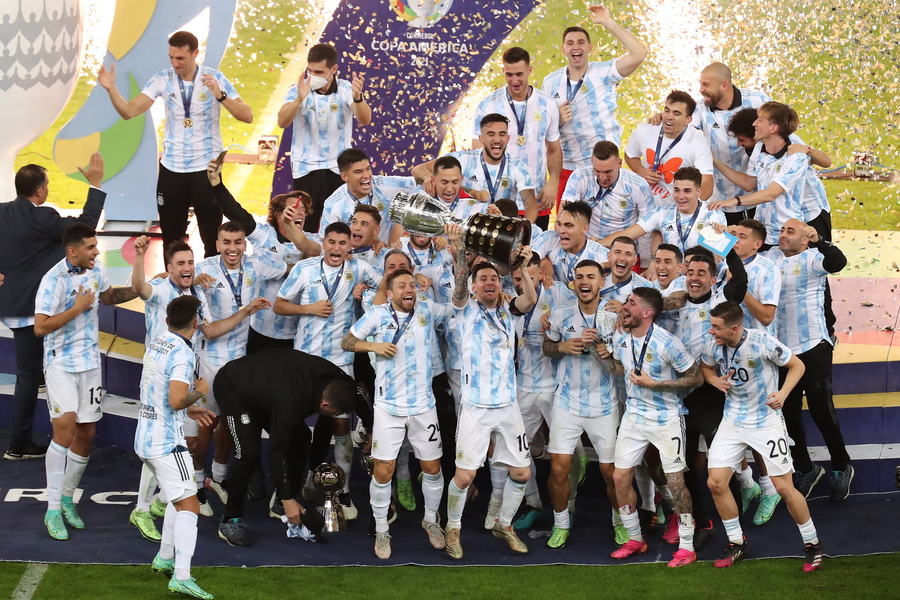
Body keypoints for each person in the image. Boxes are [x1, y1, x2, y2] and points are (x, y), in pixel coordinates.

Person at [98, 31, 253, 258]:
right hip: (172, 170)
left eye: (180, 58)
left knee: (212, 240)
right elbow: (129, 112)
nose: (175, 63)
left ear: (195, 53)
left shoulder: (214, 78)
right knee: (171, 241)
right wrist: (111, 89)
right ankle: (174, 281)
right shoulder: (162, 79)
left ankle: (211, 279)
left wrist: (221, 96)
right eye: (171, 57)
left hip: (206, 170)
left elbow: (247, 115)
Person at [700, 301, 823, 572]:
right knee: (716, 483)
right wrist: (714, 381)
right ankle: (737, 542)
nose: (711, 331)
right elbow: (706, 368)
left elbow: (797, 366)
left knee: (784, 488)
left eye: (716, 327)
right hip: (732, 421)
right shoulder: (712, 343)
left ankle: (812, 544)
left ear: (734, 329)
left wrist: (783, 394)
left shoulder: (762, 342)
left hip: (766, 421)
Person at [34, 223, 139, 540]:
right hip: (61, 364)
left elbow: (109, 297)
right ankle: (52, 509)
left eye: (95, 246)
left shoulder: (96, 269)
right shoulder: (52, 280)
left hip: (90, 363)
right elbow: (40, 327)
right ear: (73, 251)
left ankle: (67, 498)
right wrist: (76, 308)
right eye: (90, 247)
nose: (96, 251)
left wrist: (140, 288)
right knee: (64, 432)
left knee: (87, 432)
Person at [0, 154, 106, 461]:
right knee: (28, 375)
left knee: (32, 372)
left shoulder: (3, 212)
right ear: (40, 191)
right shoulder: (43, 217)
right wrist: (95, 184)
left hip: (11, 305)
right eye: (46, 184)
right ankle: (19, 443)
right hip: (30, 311)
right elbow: (84, 227)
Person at [343, 268, 454, 558]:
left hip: (423, 406)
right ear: (390, 293)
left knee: (432, 468)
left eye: (412, 285)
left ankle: (430, 520)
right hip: (388, 407)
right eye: (402, 285)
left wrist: (459, 259)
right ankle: (382, 530)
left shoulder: (427, 310)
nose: (409, 289)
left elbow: (458, 305)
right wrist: (373, 346)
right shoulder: (378, 314)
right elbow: (347, 341)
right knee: (383, 471)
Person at [275, 222, 382, 519]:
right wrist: (307, 309)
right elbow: (279, 305)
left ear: (349, 246)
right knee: (292, 425)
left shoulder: (359, 269)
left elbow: (388, 283)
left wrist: (366, 292)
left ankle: (341, 492)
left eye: (342, 243)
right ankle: (286, 489)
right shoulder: (305, 269)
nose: (336, 248)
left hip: (340, 361)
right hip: (305, 362)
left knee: (341, 427)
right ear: (323, 242)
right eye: (332, 242)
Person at [443, 224, 537, 558]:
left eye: (494, 279)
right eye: (482, 279)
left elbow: (530, 299)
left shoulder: (508, 309)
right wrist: (460, 252)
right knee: (465, 476)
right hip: (476, 406)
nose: (489, 283)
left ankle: (504, 524)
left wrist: (522, 267)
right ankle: (453, 528)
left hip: (507, 406)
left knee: (521, 472)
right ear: (474, 286)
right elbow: (458, 291)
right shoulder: (465, 309)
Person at [213, 349, 370, 546]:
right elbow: (276, 450)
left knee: (301, 437)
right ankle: (230, 519)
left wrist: (370, 428)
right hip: (235, 387)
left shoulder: (335, 376)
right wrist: (289, 500)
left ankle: (281, 501)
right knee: (248, 453)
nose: (333, 417)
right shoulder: (292, 402)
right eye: (333, 413)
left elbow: (357, 393)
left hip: (268, 386)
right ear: (324, 405)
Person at [599, 287, 703, 567]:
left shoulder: (667, 343)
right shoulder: (623, 339)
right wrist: (601, 355)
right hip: (634, 416)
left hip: (667, 417)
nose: (625, 306)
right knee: (620, 477)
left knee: (675, 482)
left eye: (631, 303)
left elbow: (696, 378)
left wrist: (656, 384)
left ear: (647, 312)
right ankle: (635, 538)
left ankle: (687, 546)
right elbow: (620, 369)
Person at [192, 223, 278, 515]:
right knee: (206, 425)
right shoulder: (203, 270)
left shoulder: (255, 266)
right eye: (226, 242)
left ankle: (218, 477)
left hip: (239, 361)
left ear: (245, 244)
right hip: (209, 358)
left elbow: (287, 264)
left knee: (230, 422)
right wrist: (192, 279)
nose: (233, 248)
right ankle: (196, 485)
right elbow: (171, 278)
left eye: (238, 242)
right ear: (217, 244)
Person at [136, 295, 216, 599]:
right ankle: (182, 576)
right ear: (195, 323)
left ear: (168, 320)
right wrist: (199, 392)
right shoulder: (183, 354)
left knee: (176, 496)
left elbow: (156, 389)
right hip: (167, 442)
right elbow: (175, 399)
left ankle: (165, 557)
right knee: (190, 505)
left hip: (145, 435)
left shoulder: (158, 341)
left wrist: (189, 409)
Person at [767, 220, 853, 501]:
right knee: (788, 413)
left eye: (790, 232)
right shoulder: (771, 256)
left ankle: (841, 466)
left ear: (805, 240)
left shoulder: (813, 258)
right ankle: (805, 469)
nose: (783, 235)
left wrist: (820, 241)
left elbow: (838, 261)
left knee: (821, 410)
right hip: (782, 351)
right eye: (782, 230)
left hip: (813, 345)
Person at [542, 260, 620, 549]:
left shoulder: (615, 315)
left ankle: (620, 522)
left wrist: (605, 353)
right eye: (579, 277)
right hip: (567, 403)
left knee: (612, 473)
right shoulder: (560, 313)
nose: (584, 281)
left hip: (604, 405)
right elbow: (548, 348)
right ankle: (561, 523)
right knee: (558, 469)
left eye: (591, 276)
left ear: (601, 282)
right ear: (574, 283)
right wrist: (562, 346)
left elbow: (622, 365)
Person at [542, 5, 647, 207]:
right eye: (570, 43)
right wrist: (556, 120)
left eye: (581, 42)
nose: (576, 47)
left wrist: (607, 21)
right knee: (567, 222)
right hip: (569, 167)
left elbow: (639, 53)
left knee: (610, 219)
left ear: (589, 48)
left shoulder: (604, 72)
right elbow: (542, 130)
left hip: (604, 165)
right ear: (563, 50)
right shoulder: (550, 82)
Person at [277, 43, 372, 232]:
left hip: (338, 168)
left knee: (340, 225)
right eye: (310, 71)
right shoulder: (299, 89)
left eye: (319, 72)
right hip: (306, 167)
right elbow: (282, 121)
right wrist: (299, 99)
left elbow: (365, 119)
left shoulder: (345, 89)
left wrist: (358, 98)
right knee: (307, 225)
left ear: (333, 69)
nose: (313, 76)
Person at [473, 47, 561, 229]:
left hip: (536, 201)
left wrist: (553, 181)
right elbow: (476, 151)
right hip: (498, 203)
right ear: (503, 71)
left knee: (532, 246)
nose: (514, 81)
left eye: (519, 74)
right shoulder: (488, 105)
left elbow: (554, 149)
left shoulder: (547, 104)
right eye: (509, 74)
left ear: (529, 70)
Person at [708, 102, 808, 249]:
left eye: (760, 120)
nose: (754, 123)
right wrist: (715, 161)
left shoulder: (795, 158)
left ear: (773, 128)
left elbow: (770, 194)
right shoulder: (760, 148)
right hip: (762, 232)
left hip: (785, 234)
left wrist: (734, 201)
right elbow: (749, 183)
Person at [412, 114, 538, 221]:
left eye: (502, 134)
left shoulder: (517, 167)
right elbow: (418, 170)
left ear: (508, 138)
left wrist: (526, 227)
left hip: (499, 230)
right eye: (491, 134)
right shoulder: (463, 159)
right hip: (462, 227)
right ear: (481, 139)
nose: (497, 139)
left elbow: (530, 202)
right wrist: (428, 178)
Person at [691, 63, 772, 223]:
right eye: (700, 84)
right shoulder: (699, 109)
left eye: (706, 85)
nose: (701, 90)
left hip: (759, 198)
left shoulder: (758, 100)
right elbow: (680, 129)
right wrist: (661, 119)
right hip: (721, 201)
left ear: (724, 85)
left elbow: (780, 131)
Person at [559, 141, 654, 267]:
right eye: (597, 171)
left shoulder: (638, 185)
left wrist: (646, 263)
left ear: (620, 163)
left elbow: (646, 225)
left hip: (622, 254)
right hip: (585, 250)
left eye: (608, 172)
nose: (603, 178)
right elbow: (564, 215)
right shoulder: (580, 177)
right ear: (592, 161)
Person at [599, 167, 726, 256]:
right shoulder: (662, 212)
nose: (680, 196)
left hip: (701, 278)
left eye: (687, 191)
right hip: (670, 279)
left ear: (699, 192)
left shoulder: (713, 215)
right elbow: (627, 234)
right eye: (676, 190)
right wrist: (597, 244)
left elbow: (719, 256)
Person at [625, 91, 714, 206]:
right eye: (667, 110)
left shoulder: (699, 142)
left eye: (676, 113)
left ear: (688, 120)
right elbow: (630, 155)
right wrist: (641, 171)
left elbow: (707, 184)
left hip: (675, 209)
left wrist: (688, 207)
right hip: (643, 205)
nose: (669, 117)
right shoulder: (646, 128)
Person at [318, 148, 415, 244]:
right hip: (353, 253)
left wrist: (421, 174)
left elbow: (419, 182)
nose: (366, 175)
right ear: (344, 177)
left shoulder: (383, 184)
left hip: (387, 251)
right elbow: (327, 242)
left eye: (368, 169)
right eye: (358, 172)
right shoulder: (333, 205)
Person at [538, 200, 609, 288]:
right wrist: (545, 264)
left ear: (584, 229)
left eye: (568, 225)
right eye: (559, 224)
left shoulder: (602, 256)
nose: (561, 230)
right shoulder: (549, 238)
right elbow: (528, 261)